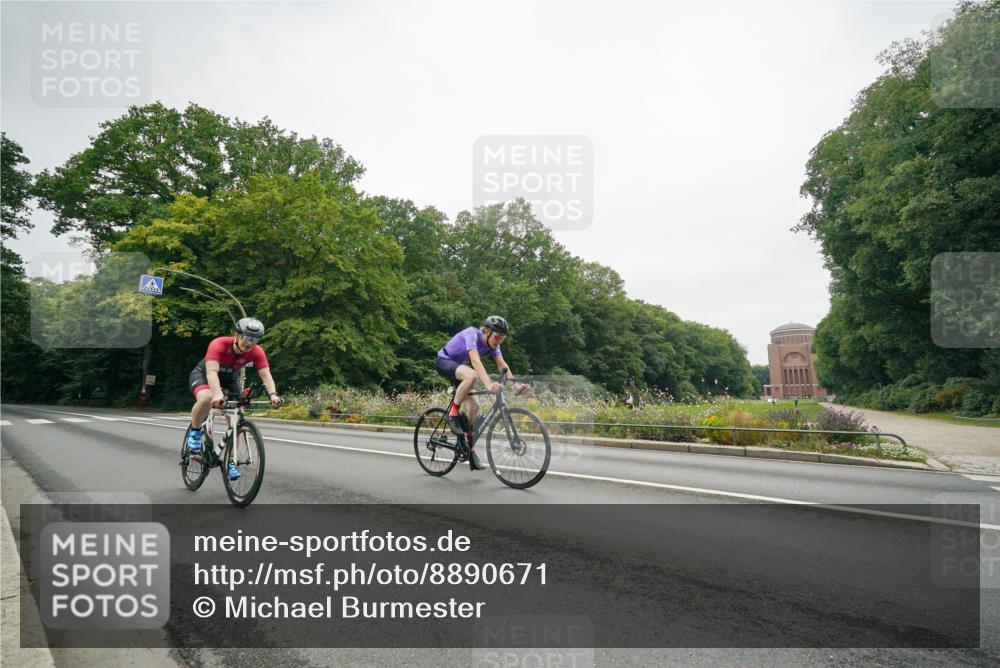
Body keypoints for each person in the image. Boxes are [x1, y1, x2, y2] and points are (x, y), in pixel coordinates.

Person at [186, 317, 282, 480]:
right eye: (247, 338)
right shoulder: (219, 344)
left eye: (255, 340)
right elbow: (212, 373)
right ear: (236, 335)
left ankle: (231, 460)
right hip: (204, 375)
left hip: (230, 380)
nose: (250, 343)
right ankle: (195, 431)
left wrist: (273, 394)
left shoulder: (257, 351)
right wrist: (217, 394)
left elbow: (266, 375)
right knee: (206, 398)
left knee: (236, 419)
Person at [434, 315, 525, 471]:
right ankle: (452, 413)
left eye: (502, 339)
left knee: (475, 406)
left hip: (459, 368)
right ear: (487, 331)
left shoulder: (493, 345)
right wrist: (489, 384)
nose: (499, 341)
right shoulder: (472, 334)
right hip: (444, 361)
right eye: (498, 337)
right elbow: (475, 361)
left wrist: (515, 385)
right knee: (472, 375)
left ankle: (469, 449)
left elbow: (502, 365)